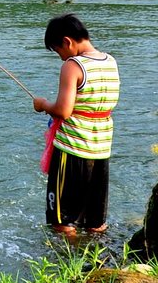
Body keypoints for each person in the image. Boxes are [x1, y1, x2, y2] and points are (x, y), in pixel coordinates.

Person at [32, 14, 119, 236]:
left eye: (58, 50)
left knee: (62, 222)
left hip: (72, 149)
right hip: (100, 149)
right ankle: (96, 264)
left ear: (67, 41)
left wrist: (43, 105)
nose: (61, 57)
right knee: (95, 223)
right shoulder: (110, 61)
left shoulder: (73, 65)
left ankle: (67, 265)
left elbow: (63, 110)